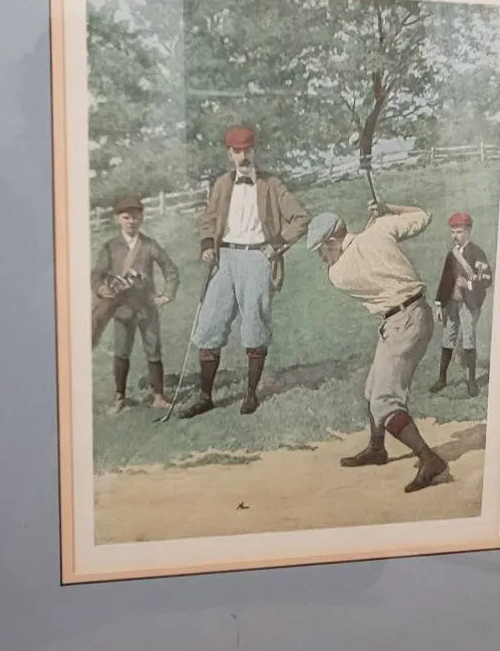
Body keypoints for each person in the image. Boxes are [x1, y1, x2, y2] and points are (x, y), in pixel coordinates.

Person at [307, 201, 448, 493]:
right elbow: (424, 215)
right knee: (372, 389)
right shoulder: (381, 230)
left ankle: (429, 459)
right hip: (413, 315)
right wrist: (388, 209)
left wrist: (375, 224)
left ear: (332, 240)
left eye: (321, 249)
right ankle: (376, 448)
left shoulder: (338, 274)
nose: (321, 256)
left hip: (403, 325)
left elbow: (354, 254)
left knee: (384, 400)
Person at [179, 126, 310, 418]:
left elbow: (301, 217)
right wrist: (207, 244)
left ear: (255, 150)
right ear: (230, 154)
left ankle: (251, 394)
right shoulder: (221, 184)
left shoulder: (272, 184)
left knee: (254, 325)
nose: (243, 156)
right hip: (224, 258)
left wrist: (277, 243)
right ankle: (205, 396)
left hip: (257, 258)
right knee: (210, 325)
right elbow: (209, 219)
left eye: (247, 150)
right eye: (237, 151)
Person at [91, 192, 180, 413]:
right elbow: (97, 275)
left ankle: (159, 396)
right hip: (121, 309)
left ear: (142, 217)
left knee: (154, 352)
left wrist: (167, 295)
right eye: (126, 217)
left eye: (136, 216)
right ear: (117, 219)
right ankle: (119, 397)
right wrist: (101, 289)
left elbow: (171, 270)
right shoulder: (110, 247)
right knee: (121, 352)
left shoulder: (149, 245)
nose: (131, 221)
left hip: (147, 308)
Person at [430, 212, 493, 398]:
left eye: (459, 232)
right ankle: (442, 379)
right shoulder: (452, 255)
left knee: (468, 339)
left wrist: (469, 284)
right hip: (452, 304)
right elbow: (445, 280)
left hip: (468, 304)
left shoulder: (477, 253)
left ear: (468, 231)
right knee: (448, 339)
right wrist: (439, 304)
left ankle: (472, 382)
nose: (455, 236)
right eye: (452, 232)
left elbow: (487, 279)